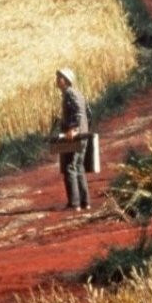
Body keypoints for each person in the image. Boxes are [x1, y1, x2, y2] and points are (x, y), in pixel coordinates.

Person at [54, 67, 90, 211]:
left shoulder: (69, 93)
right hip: (82, 133)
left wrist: (73, 129)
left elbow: (79, 112)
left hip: (75, 135)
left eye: (60, 78)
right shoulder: (76, 93)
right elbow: (87, 112)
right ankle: (85, 202)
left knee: (69, 167)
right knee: (79, 167)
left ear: (66, 80)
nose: (57, 80)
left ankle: (74, 203)